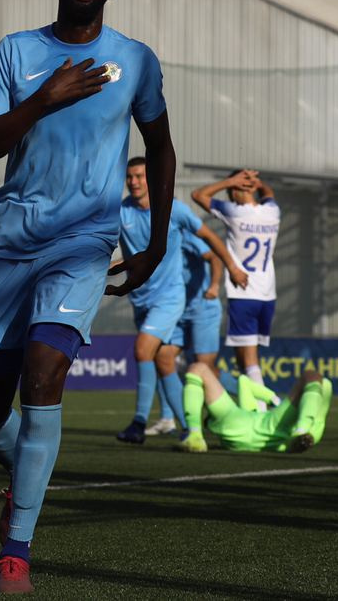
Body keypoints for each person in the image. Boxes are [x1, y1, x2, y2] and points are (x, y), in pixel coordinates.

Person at [0, 0, 175, 594]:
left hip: (83, 241)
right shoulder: (16, 52)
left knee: (44, 370)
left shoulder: (134, 60)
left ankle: (16, 551)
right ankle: (24, 475)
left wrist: (156, 241)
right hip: (13, 241)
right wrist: (43, 100)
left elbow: (161, 148)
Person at [116, 157, 246, 444]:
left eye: (140, 176)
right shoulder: (121, 211)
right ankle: (189, 427)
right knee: (164, 360)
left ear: (152, 178)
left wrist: (230, 270)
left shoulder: (174, 211)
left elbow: (210, 240)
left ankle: (139, 422)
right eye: (130, 177)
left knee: (148, 352)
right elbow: (128, 257)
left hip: (176, 300)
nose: (133, 182)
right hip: (142, 298)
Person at [192, 169, 281, 409]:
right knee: (246, 360)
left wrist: (230, 180)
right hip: (267, 294)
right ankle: (254, 406)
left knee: (248, 361)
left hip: (244, 292)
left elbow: (198, 195)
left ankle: (265, 409)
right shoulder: (272, 211)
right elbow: (269, 194)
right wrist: (258, 183)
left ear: (233, 191)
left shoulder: (235, 212)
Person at [148, 230, 232, 435]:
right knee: (162, 357)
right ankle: (172, 420)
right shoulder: (156, 237)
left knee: (205, 368)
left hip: (203, 308)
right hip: (177, 309)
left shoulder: (186, 235)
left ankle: (249, 399)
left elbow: (214, 257)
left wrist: (214, 285)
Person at [177, 361, 331, 454]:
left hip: (232, 427)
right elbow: (244, 381)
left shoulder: (235, 414)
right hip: (276, 426)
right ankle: (301, 432)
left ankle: (194, 435)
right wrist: (274, 399)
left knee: (197, 368)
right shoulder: (269, 416)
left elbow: (244, 381)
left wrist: (272, 399)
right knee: (313, 376)